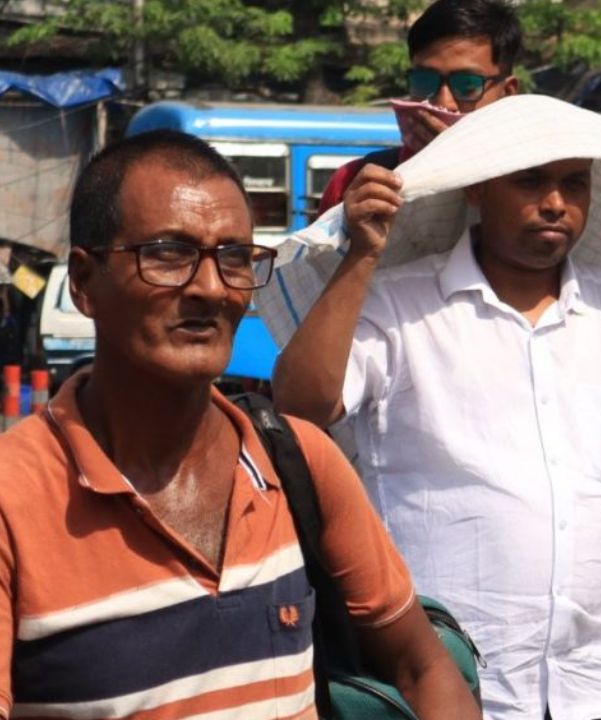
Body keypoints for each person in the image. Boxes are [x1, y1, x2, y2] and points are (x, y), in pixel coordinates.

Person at [271, 97, 601, 720]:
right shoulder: (398, 304)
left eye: (574, 183)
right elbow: (300, 406)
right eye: (531, 180)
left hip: (599, 692)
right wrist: (362, 256)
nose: (555, 202)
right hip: (449, 690)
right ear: (476, 189)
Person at [0, 130, 480, 719]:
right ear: (83, 282)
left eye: (234, 258)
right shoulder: (15, 498)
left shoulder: (297, 461)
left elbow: (423, 664)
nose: (210, 288)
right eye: (167, 254)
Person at [315, 0, 521, 215]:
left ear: (506, 92)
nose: (443, 102)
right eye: (425, 81)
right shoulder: (355, 182)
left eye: (467, 85)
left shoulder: (533, 187)